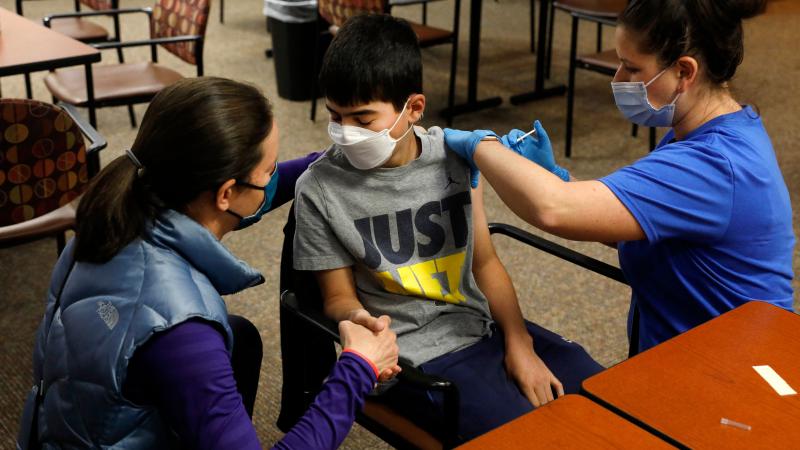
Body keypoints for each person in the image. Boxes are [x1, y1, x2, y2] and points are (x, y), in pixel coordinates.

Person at [17, 77, 401, 450]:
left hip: (60, 427)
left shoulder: (120, 207)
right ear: (226, 193)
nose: (273, 177)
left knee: (240, 337)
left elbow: (254, 192)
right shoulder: (182, 330)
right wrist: (357, 368)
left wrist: (327, 162)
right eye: (268, 170)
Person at [292, 14, 603, 442]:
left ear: (414, 108)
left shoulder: (452, 156)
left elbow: (486, 262)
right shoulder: (319, 189)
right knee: (532, 434)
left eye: (362, 120)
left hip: (480, 327)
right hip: (413, 359)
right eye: (335, 116)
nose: (345, 134)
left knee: (602, 393)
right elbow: (338, 298)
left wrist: (519, 343)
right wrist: (359, 320)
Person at [444, 0, 794, 354]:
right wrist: (555, 175)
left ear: (685, 72)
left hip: (732, 374)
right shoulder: (705, 129)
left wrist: (479, 146)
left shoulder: (713, 165)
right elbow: (641, 217)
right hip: (690, 360)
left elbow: (553, 209)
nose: (618, 80)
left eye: (630, 68)